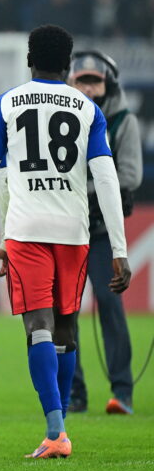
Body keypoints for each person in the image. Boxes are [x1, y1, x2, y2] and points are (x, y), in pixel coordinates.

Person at [0, 24, 132, 459]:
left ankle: (57, 429)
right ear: (68, 64)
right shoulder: (86, 108)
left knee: (36, 327)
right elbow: (106, 178)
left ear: (28, 61)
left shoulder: (6, 104)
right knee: (64, 328)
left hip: (27, 230)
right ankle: (58, 429)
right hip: (74, 232)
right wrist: (119, 248)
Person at [67, 51, 142, 415]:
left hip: (97, 230)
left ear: (107, 85)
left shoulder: (123, 120)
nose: (87, 87)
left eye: (93, 81)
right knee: (65, 311)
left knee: (110, 303)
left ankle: (122, 391)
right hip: (68, 228)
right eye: (80, 80)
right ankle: (74, 392)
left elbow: (130, 174)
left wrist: (91, 194)